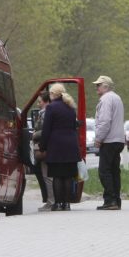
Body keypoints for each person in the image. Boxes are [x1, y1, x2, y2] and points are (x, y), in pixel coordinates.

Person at [38, 83, 80, 211]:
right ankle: (66, 204)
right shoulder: (71, 107)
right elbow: (74, 126)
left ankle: (57, 203)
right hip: (71, 145)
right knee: (68, 175)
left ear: (53, 94)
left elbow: (46, 129)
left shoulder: (51, 108)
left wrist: (43, 146)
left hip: (56, 145)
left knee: (57, 176)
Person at [92, 75, 126, 210]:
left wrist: (99, 138)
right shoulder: (117, 97)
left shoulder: (105, 99)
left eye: (98, 85)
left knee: (104, 171)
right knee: (114, 171)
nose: (96, 87)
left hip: (109, 140)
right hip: (118, 139)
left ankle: (110, 200)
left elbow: (105, 121)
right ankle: (116, 200)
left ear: (106, 86)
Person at [31, 93, 55, 211]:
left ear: (46, 102)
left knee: (47, 176)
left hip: (46, 147)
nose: (38, 104)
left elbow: (47, 131)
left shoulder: (46, 114)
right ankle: (52, 201)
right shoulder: (44, 113)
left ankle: (51, 202)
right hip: (50, 146)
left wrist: (34, 134)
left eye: (40, 102)